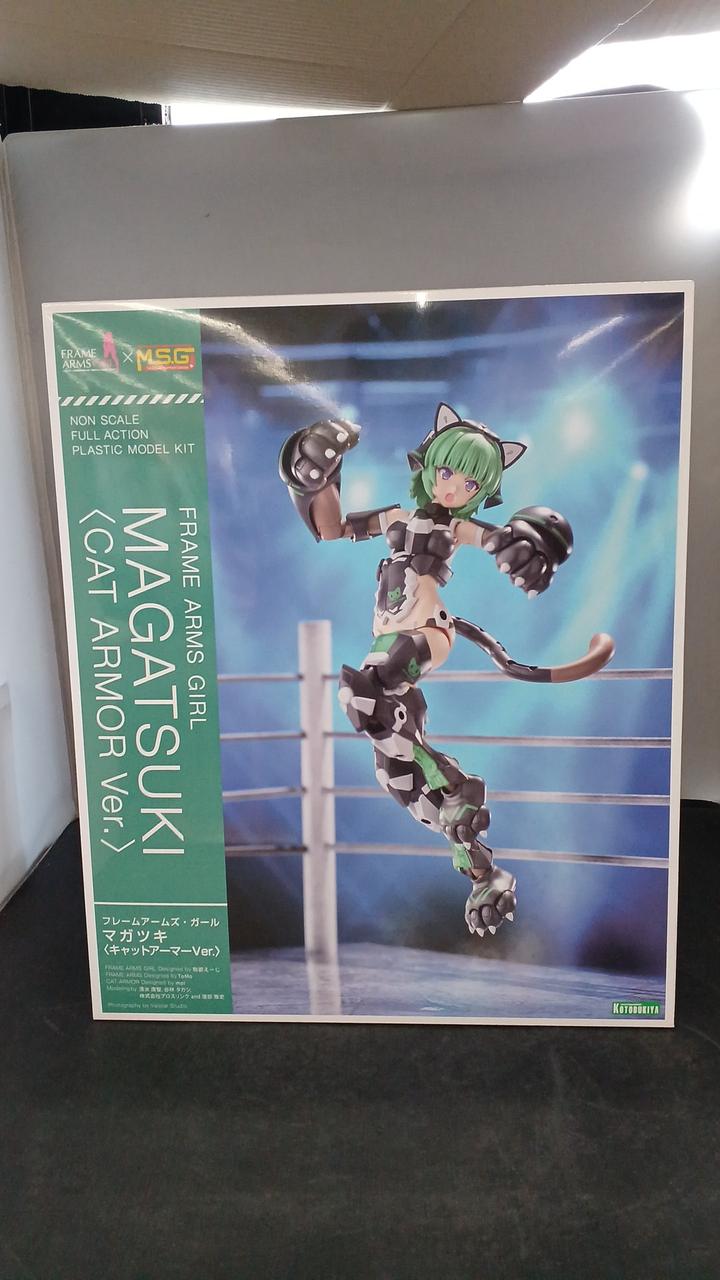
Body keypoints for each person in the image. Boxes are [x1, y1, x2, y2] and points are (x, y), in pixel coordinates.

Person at [279, 402, 613, 936]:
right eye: (448, 470)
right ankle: (482, 871)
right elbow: (332, 528)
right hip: (389, 639)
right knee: (397, 774)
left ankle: (460, 785)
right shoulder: (396, 517)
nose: (454, 486)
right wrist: (314, 477)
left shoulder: (457, 526)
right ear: (429, 463)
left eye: (470, 481)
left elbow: (496, 540)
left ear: (483, 490)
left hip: (426, 631)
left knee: (360, 693)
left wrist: (522, 547)